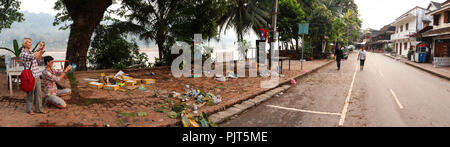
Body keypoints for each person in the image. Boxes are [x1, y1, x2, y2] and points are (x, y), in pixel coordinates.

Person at [20, 38, 45, 115]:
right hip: (29, 76)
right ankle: (29, 109)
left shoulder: (31, 52)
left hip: (36, 74)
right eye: (29, 42)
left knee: (38, 93)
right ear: (25, 44)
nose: (31, 44)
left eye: (31, 42)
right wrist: (40, 48)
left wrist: (41, 50)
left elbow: (39, 59)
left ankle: (39, 109)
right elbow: (33, 57)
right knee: (30, 94)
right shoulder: (23, 54)